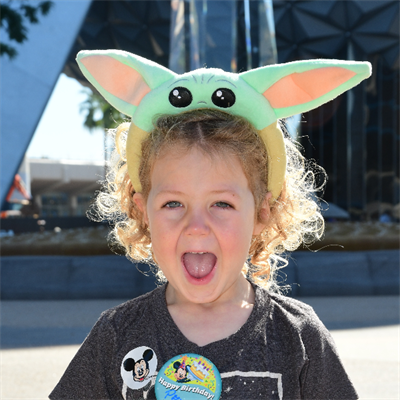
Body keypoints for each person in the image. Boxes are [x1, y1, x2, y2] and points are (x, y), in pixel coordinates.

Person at [50, 50, 371, 400]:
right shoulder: (116, 334)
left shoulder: (298, 336)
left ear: (262, 213)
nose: (197, 226)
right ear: (143, 213)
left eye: (222, 204)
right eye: (173, 203)